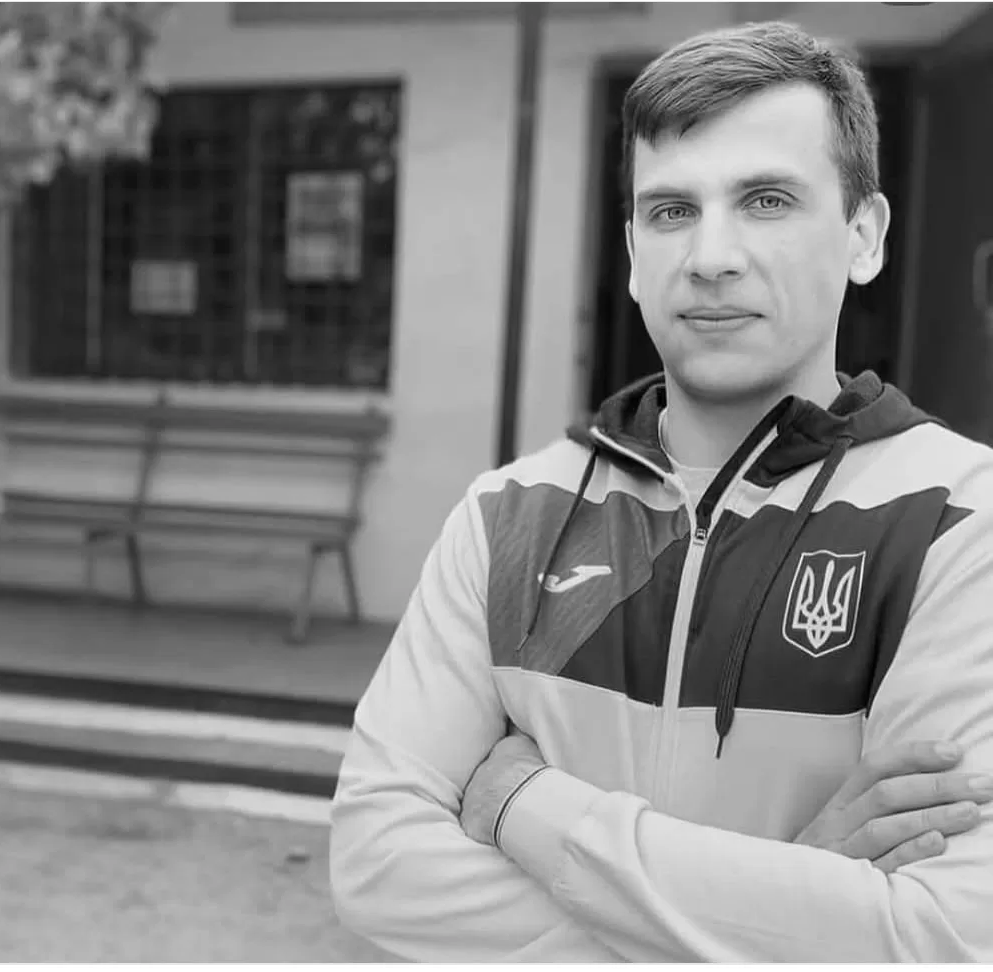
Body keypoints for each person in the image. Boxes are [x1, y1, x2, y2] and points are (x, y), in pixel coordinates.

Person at [329, 20, 993, 962]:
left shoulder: (959, 521)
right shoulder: (508, 515)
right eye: (673, 210)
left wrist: (526, 805)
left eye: (766, 200)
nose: (711, 255)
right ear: (635, 252)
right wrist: (785, 909)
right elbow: (376, 868)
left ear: (864, 236)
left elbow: (946, 937)